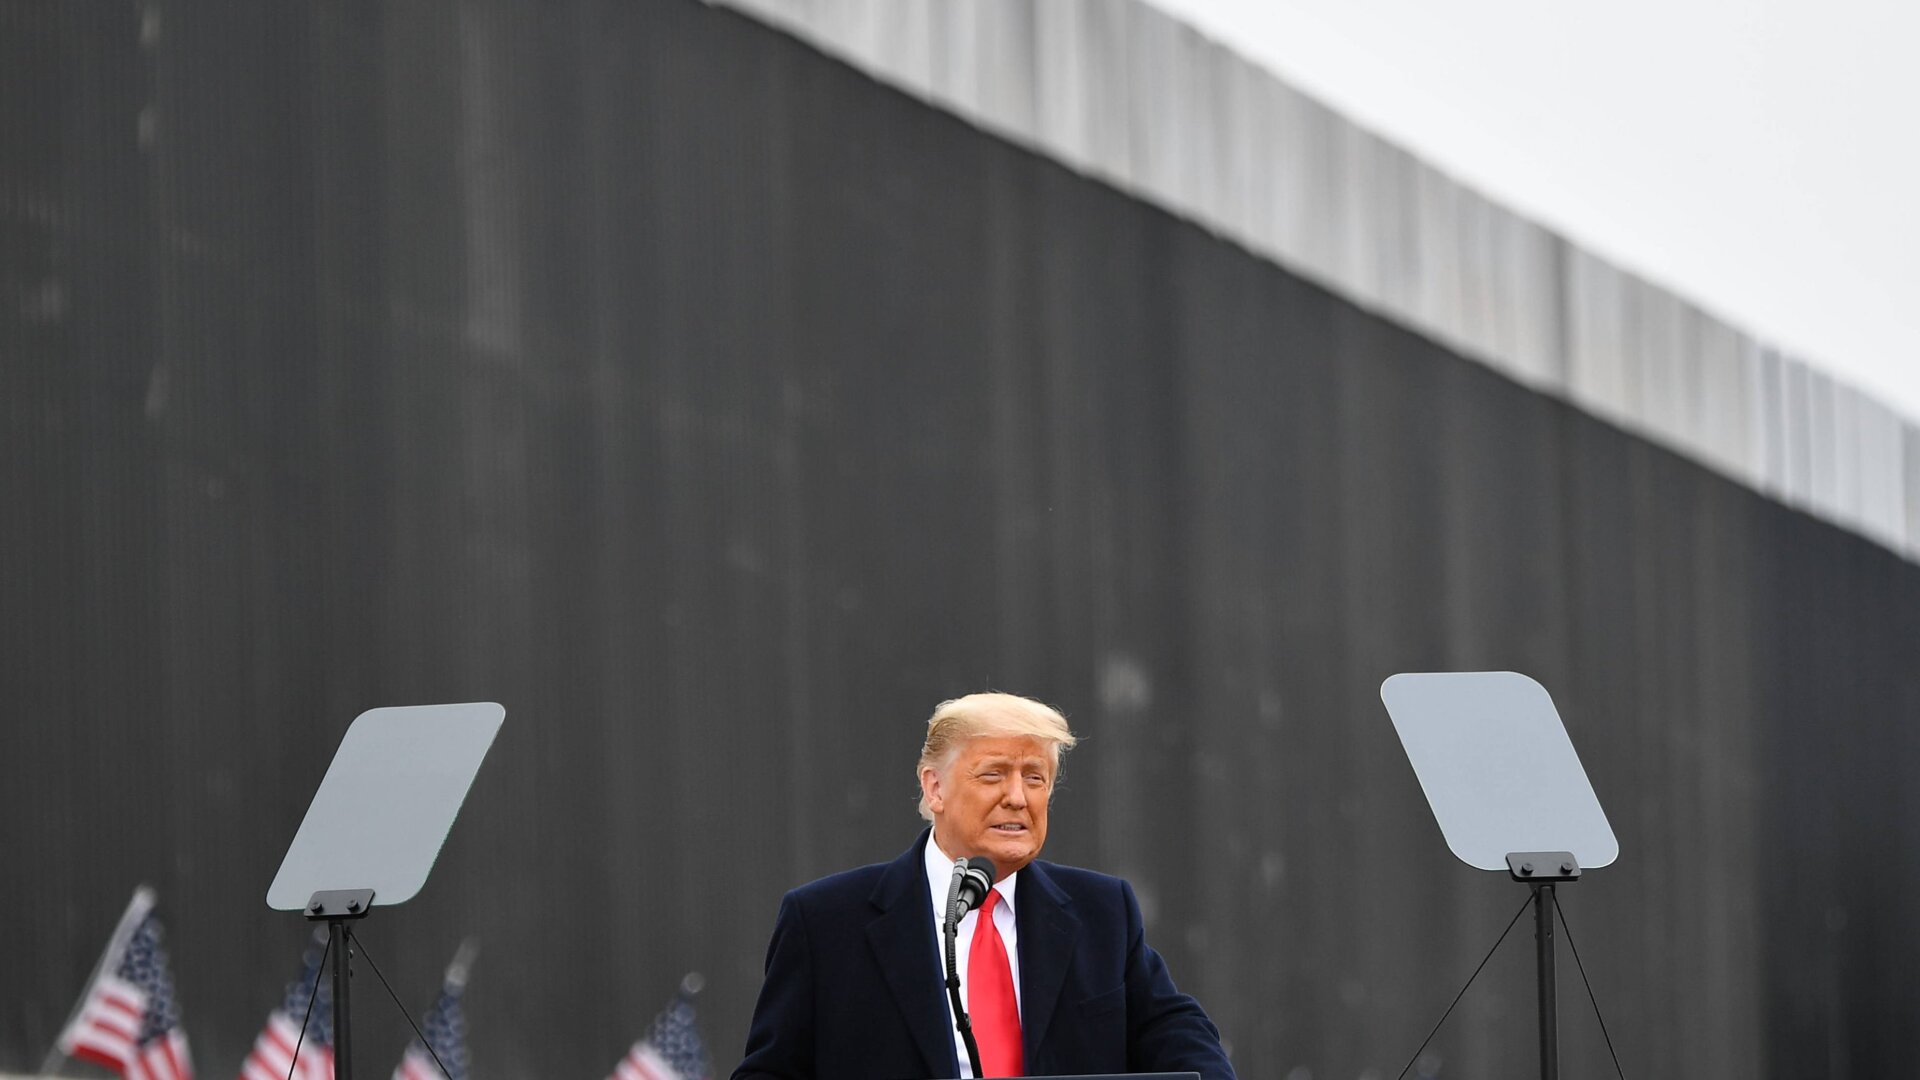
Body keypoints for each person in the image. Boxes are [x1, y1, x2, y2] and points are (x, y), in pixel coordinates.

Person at [734, 692, 1235, 1079]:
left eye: (1035, 778)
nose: (1017, 797)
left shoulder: (1102, 912)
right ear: (935, 788)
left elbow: (1177, 1034)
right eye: (993, 774)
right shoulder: (826, 921)